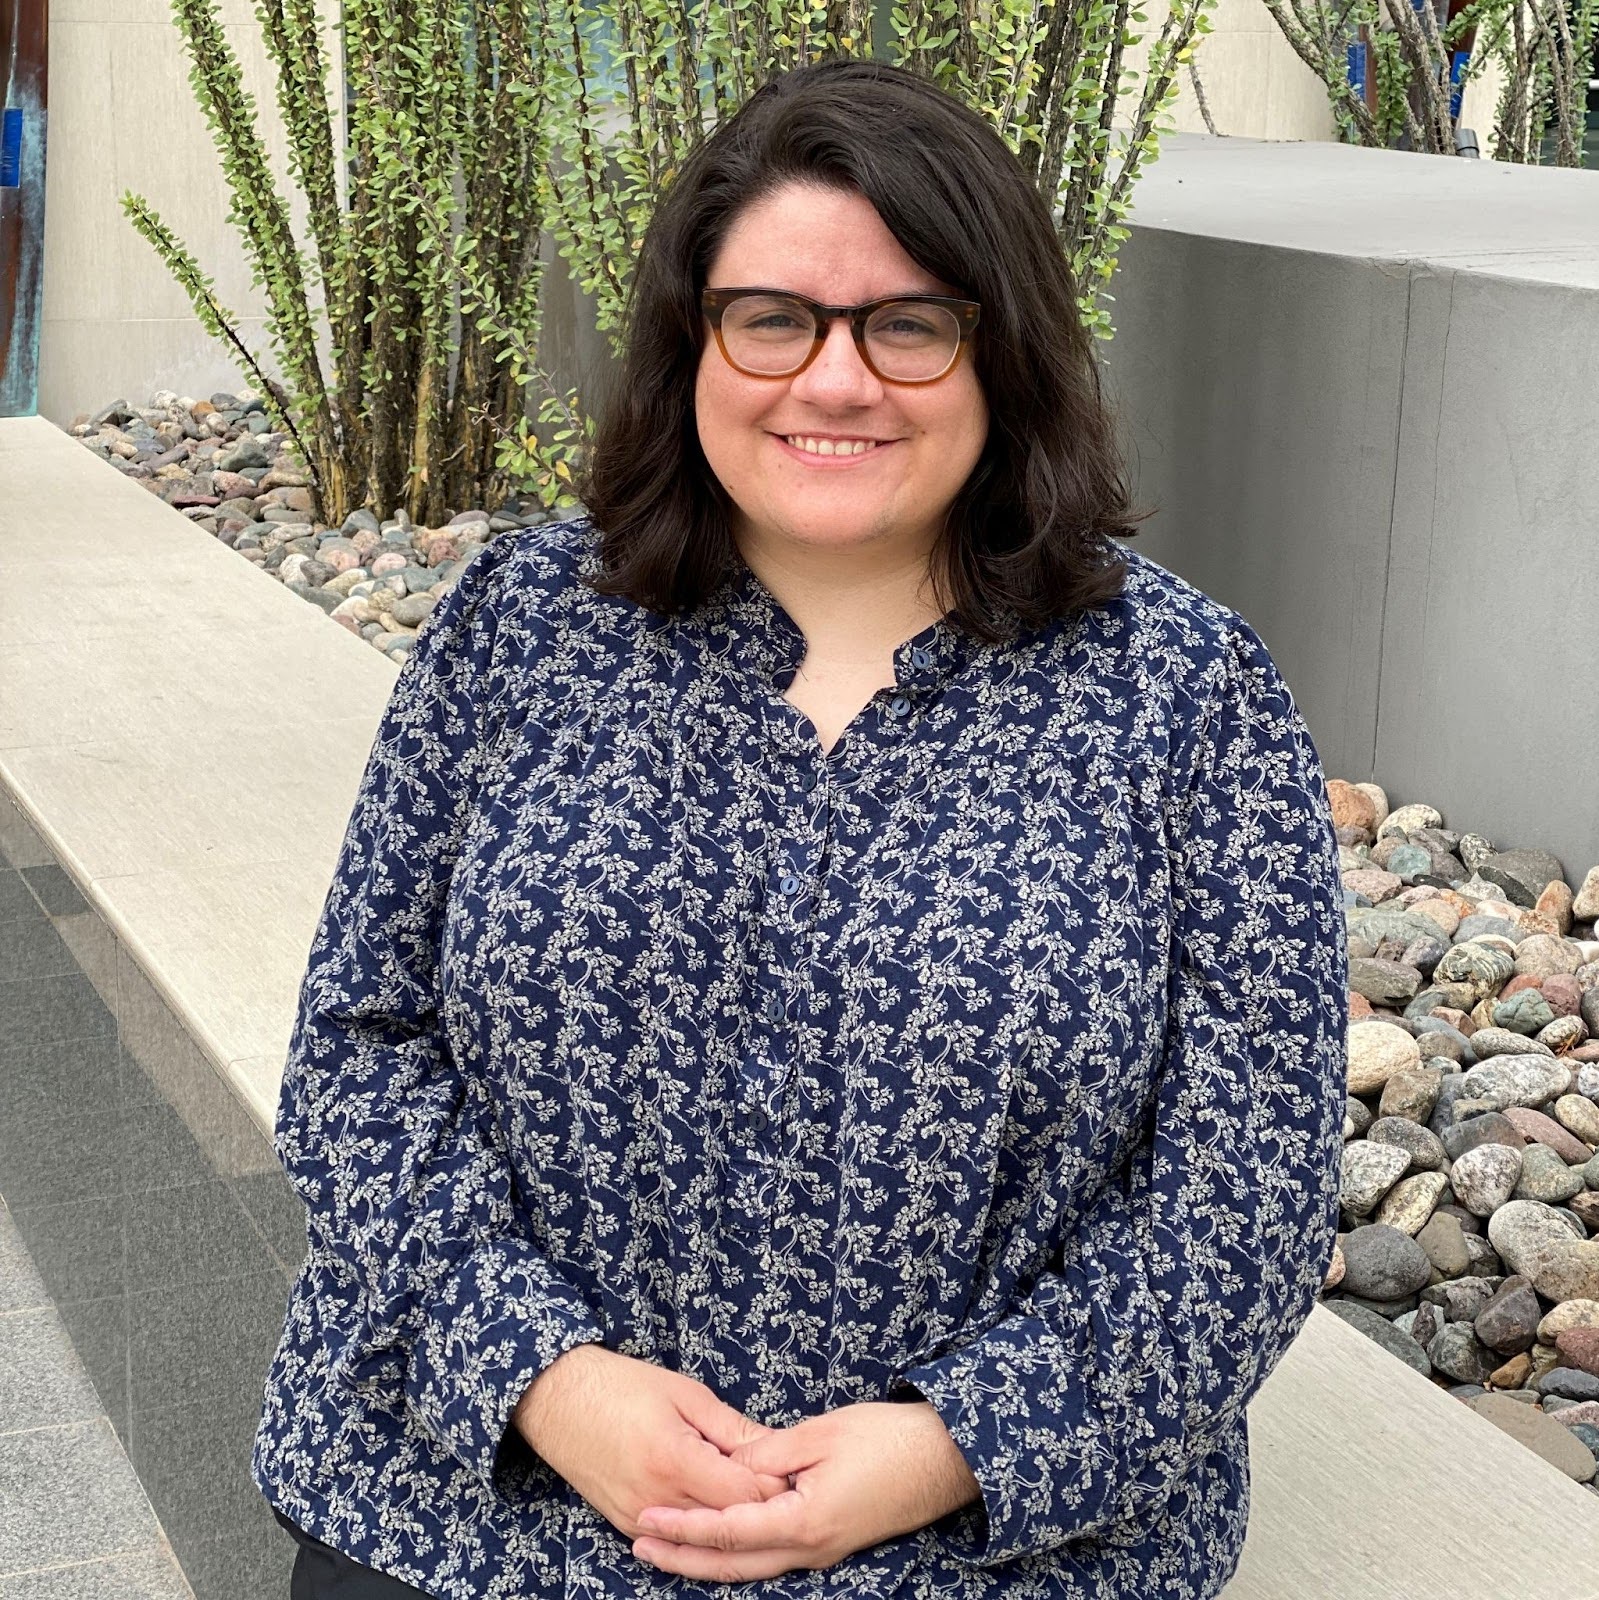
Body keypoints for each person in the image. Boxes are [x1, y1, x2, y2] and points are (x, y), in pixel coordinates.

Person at [252, 55, 1349, 1600]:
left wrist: (955, 1445)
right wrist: (544, 1374)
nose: (834, 381)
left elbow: (1250, 1185)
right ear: (692, 341)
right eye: (772, 318)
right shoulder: (523, 627)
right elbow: (359, 1051)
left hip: (985, 1561)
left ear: (1004, 349)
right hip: (471, 1523)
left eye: (908, 323)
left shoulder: (1185, 696)